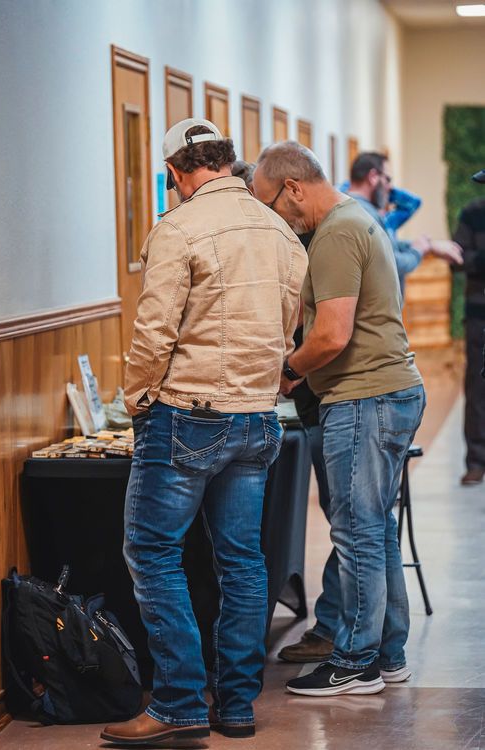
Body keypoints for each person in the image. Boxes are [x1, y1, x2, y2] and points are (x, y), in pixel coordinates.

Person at [101, 119, 307, 746]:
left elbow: (154, 330)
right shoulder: (280, 230)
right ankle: (236, 706)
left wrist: (138, 400)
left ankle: (179, 704)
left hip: (188, 412)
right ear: (227, 160)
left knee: (153, 553)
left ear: (174, 172)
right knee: (242, 563)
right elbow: (288, 328)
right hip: (257, 417)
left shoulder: (178, 227)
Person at [253, 141, 426, 697]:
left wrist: (288, 371)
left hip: (363, 398)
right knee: (375, 530)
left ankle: (355, 660)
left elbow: (331, 335)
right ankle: (389, 654)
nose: (274, 218)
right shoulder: (356, 218)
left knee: (356, 535)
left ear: (293, 188)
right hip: (383, 393)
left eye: (270, 205)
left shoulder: (335, 232)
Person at [347, 152, 463, 295]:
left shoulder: (354, 207)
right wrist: (417, 251)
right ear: (373, 176)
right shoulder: (365, 214)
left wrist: (428, 246)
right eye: (388, 179)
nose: (390, 188)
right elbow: (391, 264)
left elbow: (388, 247)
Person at [453, 198, 485, 485]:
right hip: (479, 316)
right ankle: (476, 460)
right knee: (477, 387)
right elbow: (457, 258)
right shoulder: (472, 213)